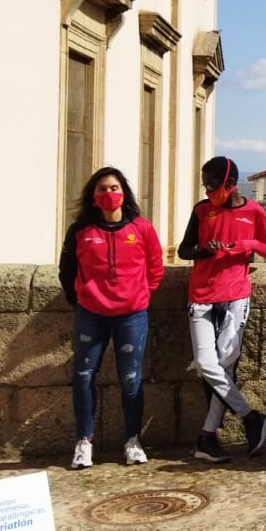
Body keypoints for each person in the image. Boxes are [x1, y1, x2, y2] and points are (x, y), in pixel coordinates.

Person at [58, 167, 165, 468]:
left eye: (115, 188)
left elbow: (155, 270)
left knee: (130, 379)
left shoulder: (142, 229)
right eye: (102, 189)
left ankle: (132, 440)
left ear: (124, 194)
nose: (109, 194)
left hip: (131, 315)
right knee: (82, 376)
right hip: (91, 314)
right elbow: (66, 270)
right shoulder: (80, 231)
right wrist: (78, 299)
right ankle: (84, 441)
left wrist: (139, 295)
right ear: (93, 196)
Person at [177, 156, 266, 462]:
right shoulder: (202, 210)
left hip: (235, 294)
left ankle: (207, 437)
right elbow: (184, 250)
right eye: (205, 185)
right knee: (207, 363)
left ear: (230, 184)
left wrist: (246, 245)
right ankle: (251, 417)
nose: (209, 191)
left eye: (214, 185)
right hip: (201, 294)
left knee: (225, 363)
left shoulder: (254, 211)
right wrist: (204, 251)